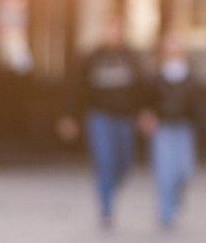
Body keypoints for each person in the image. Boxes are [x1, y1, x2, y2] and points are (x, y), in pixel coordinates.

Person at [56, 13, 150, 229]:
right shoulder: (92, 58)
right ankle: (106, 208)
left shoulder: (131, 57)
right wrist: (68, 116)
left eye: (117, 29)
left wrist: (144, 112)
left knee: (125, 163)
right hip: (99, 117)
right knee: (104, 161)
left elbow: (142, 89)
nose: (113, 34)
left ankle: (109, 189)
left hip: (125, 118)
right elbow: (76, 89)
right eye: (109, 29)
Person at [146, 31, 206, 230]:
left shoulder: (190, 76)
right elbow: (148, 101)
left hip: (184, 128)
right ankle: (166, 212)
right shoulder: (156, 76)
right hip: (163, 128)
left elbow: (198, 104)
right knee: (164, 172)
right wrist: (148, 116)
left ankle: (176, 196)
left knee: (184, 170)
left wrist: (200, 125)